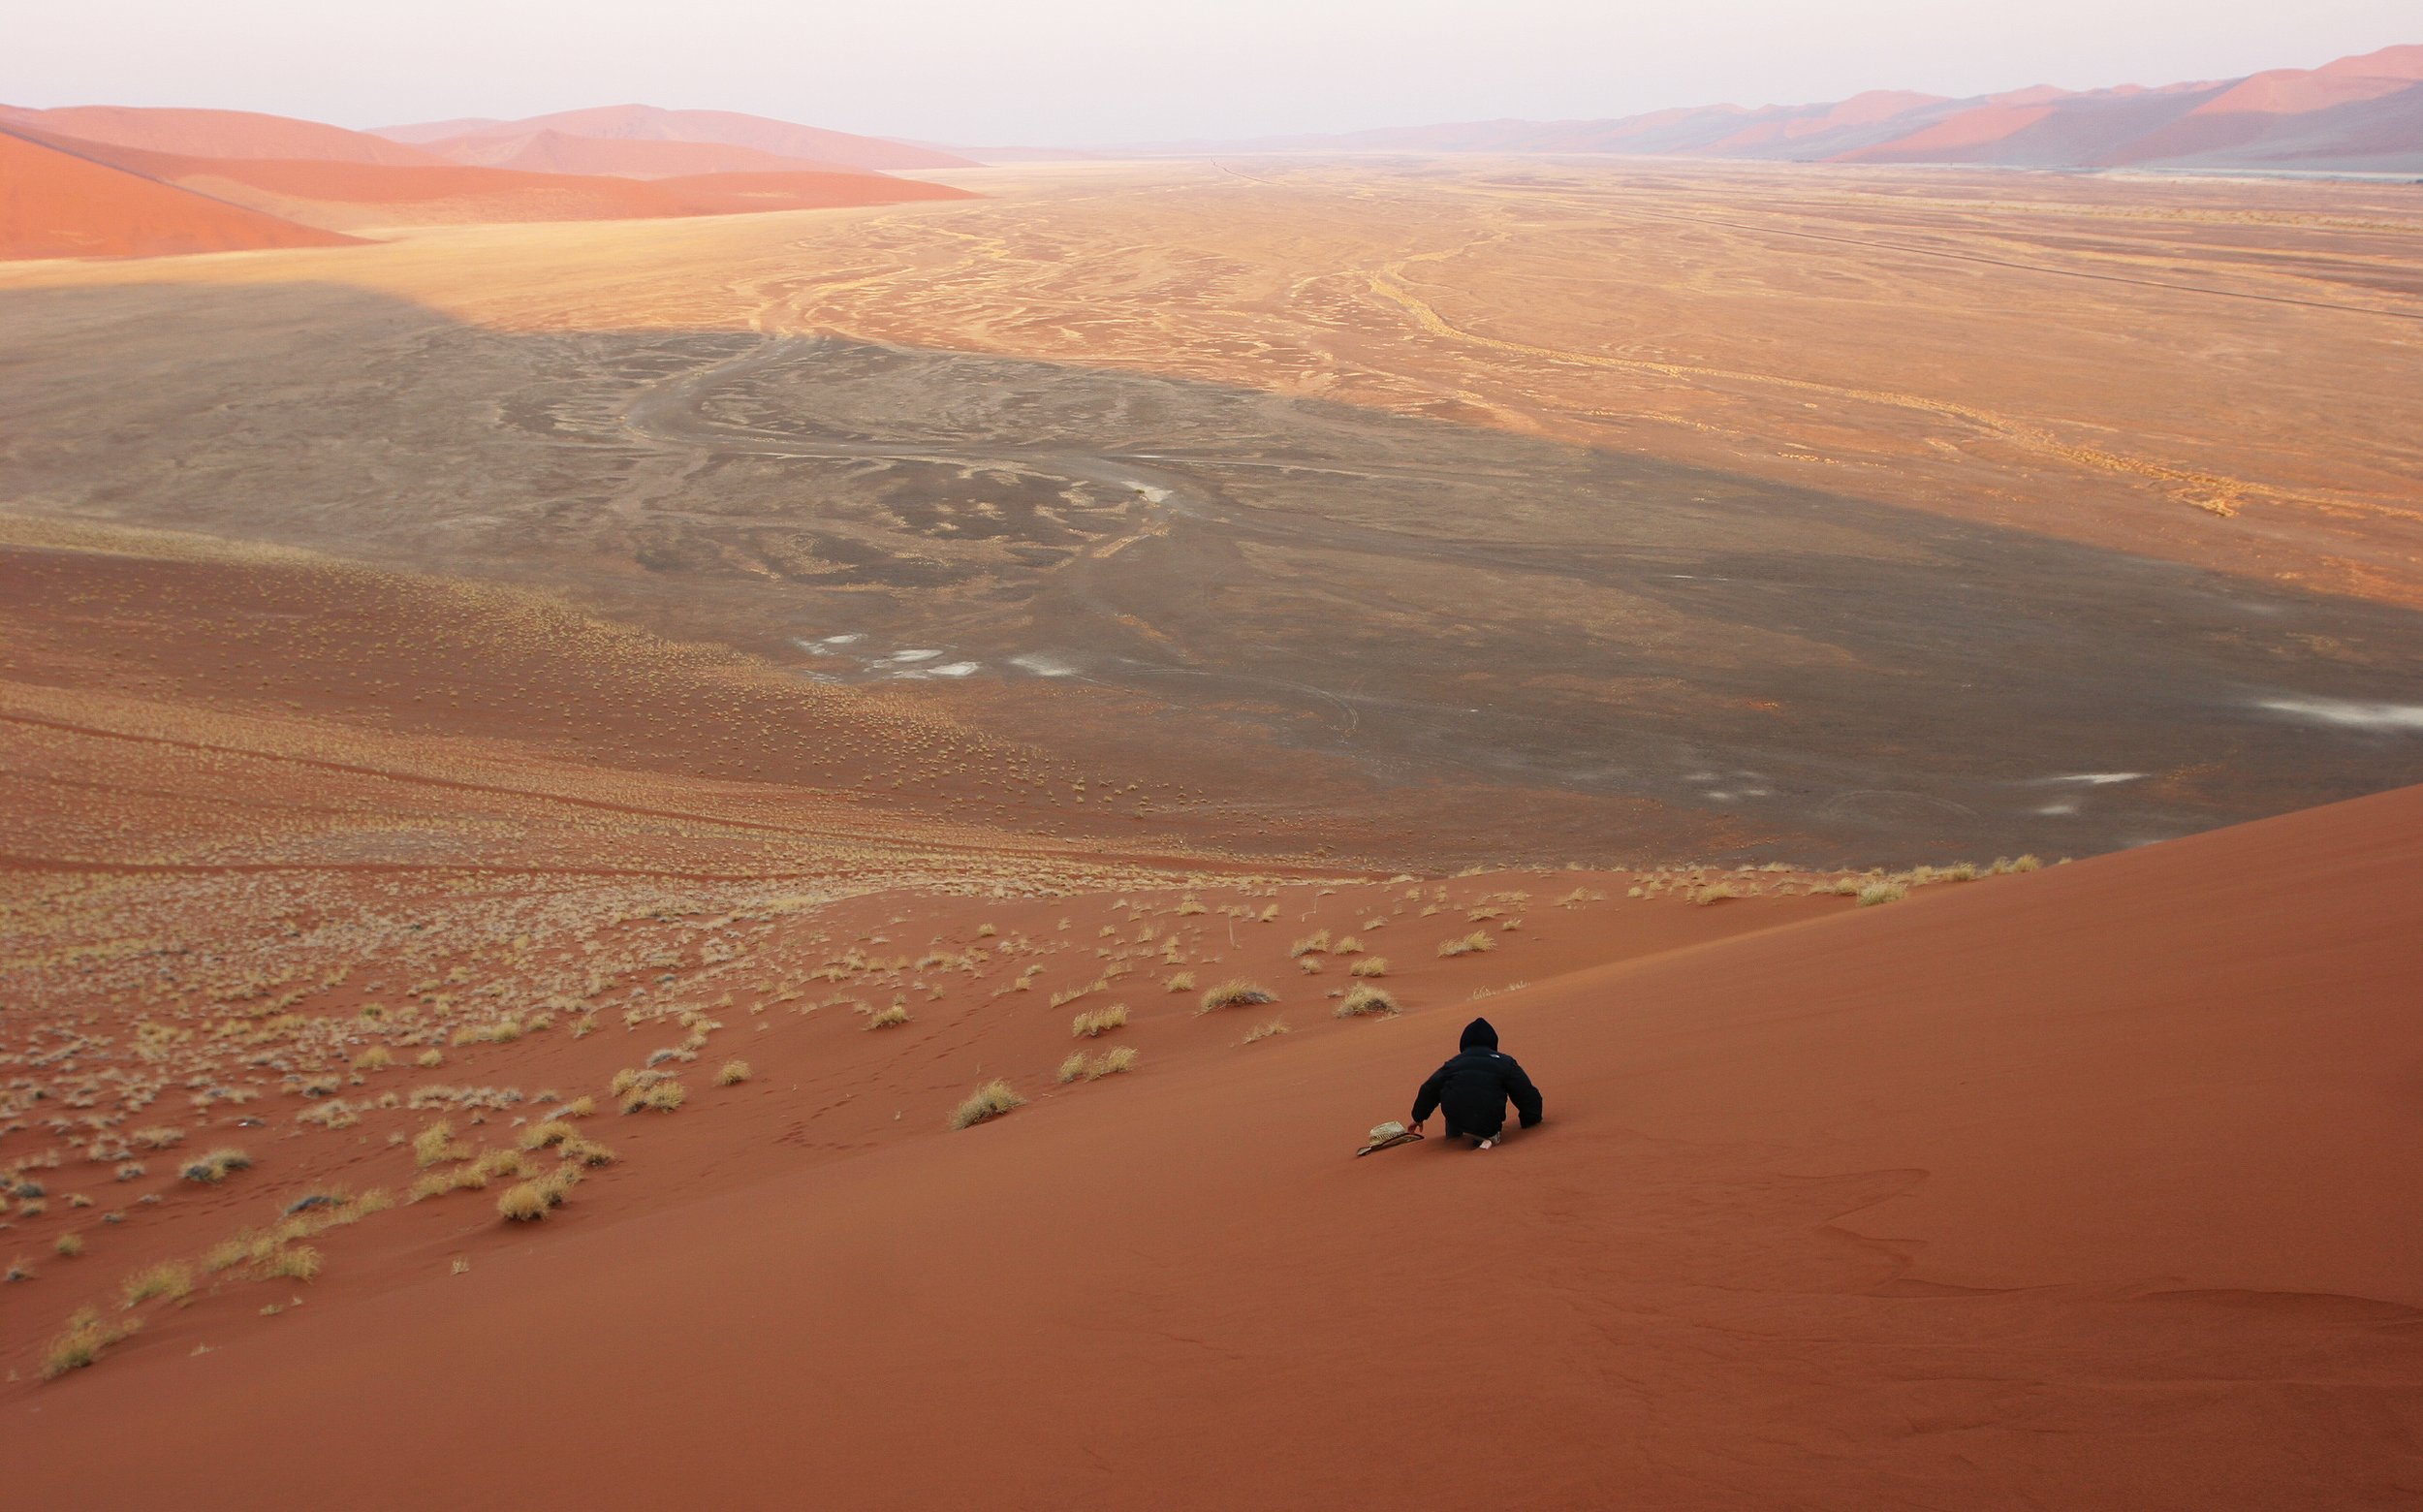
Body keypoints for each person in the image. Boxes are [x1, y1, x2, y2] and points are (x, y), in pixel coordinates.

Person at [1409, 1017, 1543, 1150]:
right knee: (1483, 1097)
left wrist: (1418, 1117)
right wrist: (1531, 1120)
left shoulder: (1453, 1064)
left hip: (1456, 1118)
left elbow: (1429, 1089)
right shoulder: (1505, 1062)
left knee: (1456, 1094)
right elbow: (1526, 1094)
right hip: (1488, 1120)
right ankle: (1487, 1135)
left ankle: (1455, 1138)